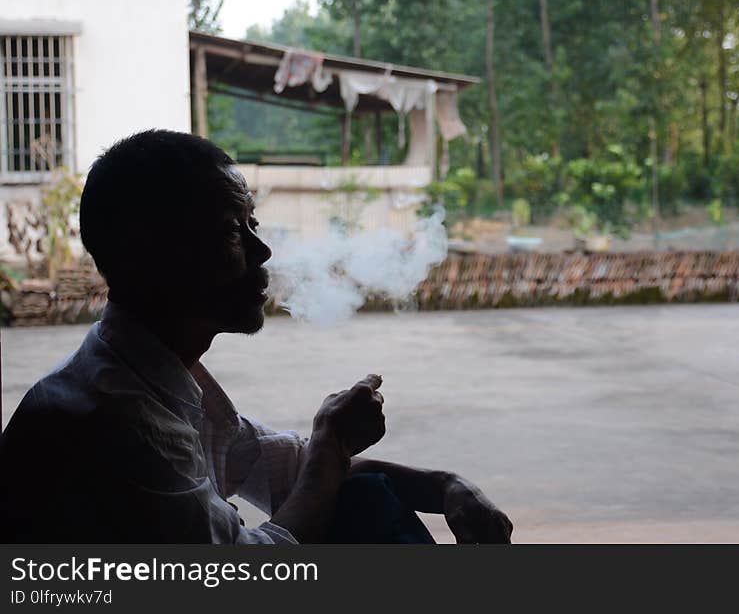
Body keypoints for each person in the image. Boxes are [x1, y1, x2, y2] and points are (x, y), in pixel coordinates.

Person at [0, 130, 513, 544]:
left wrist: (444, 484)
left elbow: (291, 467)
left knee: (365, 496)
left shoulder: (154, 376)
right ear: (154, 254)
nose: (262, 250)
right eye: (230, 230)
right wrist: (330, 441)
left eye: (253, 224)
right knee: (363, 509)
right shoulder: (120, 417)